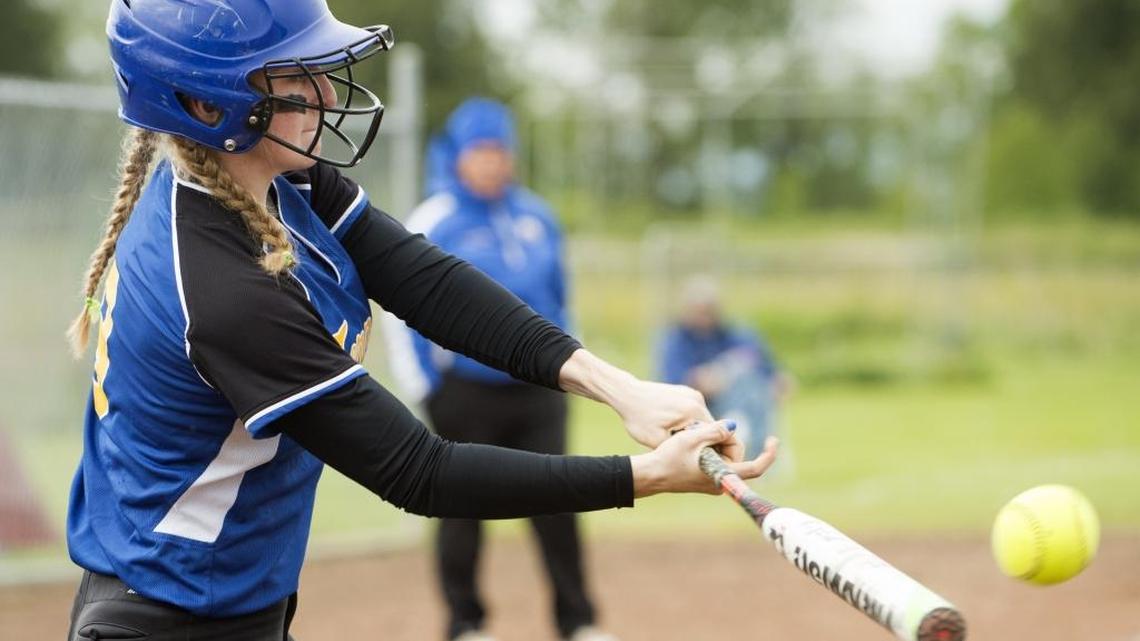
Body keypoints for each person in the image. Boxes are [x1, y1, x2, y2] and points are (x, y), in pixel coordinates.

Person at [63, 2, 778, 640]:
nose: (324, 93)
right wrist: (645, 475)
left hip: (227, 600)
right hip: (169, 616)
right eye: (294, 77)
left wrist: (622, 390)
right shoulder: (224, 288)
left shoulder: (275, 180)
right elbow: (418, 471)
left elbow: (426, 283)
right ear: (206, 106)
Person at [383, 98, 607, 641]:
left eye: (500, 150)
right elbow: (396, 308)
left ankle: (578, 622)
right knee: (462, 509)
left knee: (559, 501)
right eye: (480, 151)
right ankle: (466, 623)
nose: (491, 161)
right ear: (458, 156)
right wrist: (425, 385)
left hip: (539, 390)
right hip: (464, 391)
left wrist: (573, 366)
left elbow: (561, 299)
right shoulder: (434, 218)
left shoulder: (537, 216)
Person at [657, 276, 792, 461]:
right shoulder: (676, 341)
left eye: (708, 311)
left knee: (748, 382)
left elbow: (765, 365)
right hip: (701, 407)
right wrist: (700, 381)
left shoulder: (735, 334)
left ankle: (747, 437)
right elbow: (673, 382)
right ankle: (747, 441)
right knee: (742, 385)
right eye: (699, 312)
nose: (704, 317)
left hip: (744, 399)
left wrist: (777, 379)